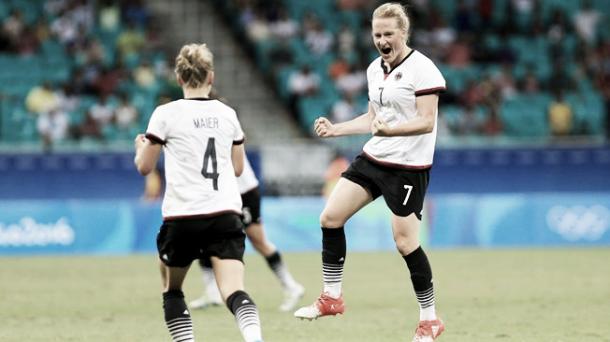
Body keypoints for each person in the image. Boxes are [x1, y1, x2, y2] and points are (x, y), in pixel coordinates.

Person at [293, 3, 446, 342]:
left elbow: (426, 121)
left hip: (408, 167)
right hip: (375, 158)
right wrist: (337, 129)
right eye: (377, 34)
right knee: (330, 217)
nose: (381, 40)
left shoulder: (424, 69)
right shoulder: (374, 69)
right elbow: (372, 118)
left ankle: (429, 320)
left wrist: (390, 131)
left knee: (405, 243)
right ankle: (331, 297)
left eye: (388, 33)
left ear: (403, 32)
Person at [133, 43, 263, 342]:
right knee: (234, 291)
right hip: (225, 212)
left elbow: (144, 167)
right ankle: (255, 339)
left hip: (183, 215)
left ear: (179, 78)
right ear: (211, 77)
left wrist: (140, 148)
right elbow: (239, 168)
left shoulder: (165, 114)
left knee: (173, 289)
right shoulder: (227, 114)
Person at [189, 154, 305, 312]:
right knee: (203, 237)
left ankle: (291, 286)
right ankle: (212, 292)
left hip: (242, 191)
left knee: (258, 241)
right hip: (216, 193)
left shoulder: (226, 128)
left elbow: (235, 159)